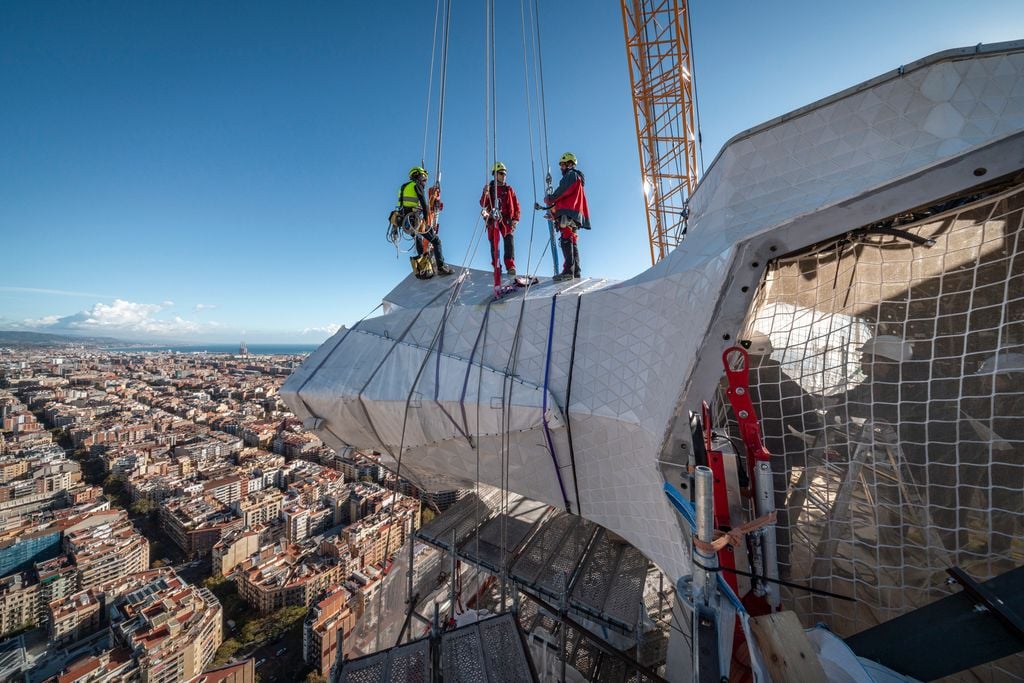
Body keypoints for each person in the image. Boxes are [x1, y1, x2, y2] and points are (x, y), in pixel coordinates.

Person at [960, 351, 1024, 559]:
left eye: (991, 377)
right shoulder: (991, 398)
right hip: (997, 462)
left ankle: (1001, 554)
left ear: (1010, 377)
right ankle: (998, 550)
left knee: (1009, 507)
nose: (985, 382)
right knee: (998, 505)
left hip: (1016, 465)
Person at [539, 152, 590, 281]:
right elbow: (567, 196)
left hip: (569, 212)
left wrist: (550, 198)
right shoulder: (577, 178)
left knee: (566, 237)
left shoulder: (571, 175)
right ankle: (576, 272)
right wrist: (554, 214)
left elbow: (563, 191)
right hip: (575, 214)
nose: (561, 168)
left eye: (563, 165)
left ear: (569, 164)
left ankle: (568, 271)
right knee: (572, 239)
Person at [398, 166, 453, 276]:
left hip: (406, 223)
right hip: (416, 221)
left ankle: (424, 270)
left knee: (418, 240)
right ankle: (441, 267)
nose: (425, 181)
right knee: (436, 241)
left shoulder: (403, 187)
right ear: (418, 175)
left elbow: (402, 205)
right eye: (424, 178)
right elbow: (424, 204)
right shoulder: (416, 185)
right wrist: (428, 220)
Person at [480, 162, 521, 285]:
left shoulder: (509, 190)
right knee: (494, 244)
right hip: (493, 220)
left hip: (506, 220)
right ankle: (496, 266)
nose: (504, 176)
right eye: (501, 173)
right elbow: (483, 203)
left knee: (509, 242)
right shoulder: (490, 189)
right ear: (495, 174)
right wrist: (485, 193)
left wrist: (516, 219)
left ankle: (510, 266)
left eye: (505, 174)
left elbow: (516, 205)